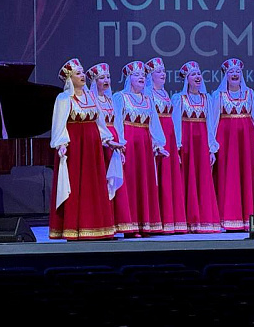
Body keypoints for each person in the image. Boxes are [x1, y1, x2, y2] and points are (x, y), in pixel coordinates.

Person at [49, 59, 120, 240]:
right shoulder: (64, 99)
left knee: (94, 184)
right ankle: (74, 228)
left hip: (92, 148)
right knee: (76, 184)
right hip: (75, 147)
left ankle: (97, 226)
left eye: (82, 73)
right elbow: (59, 124)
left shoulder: (91, 97)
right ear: (69, 78)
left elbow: (99, 123)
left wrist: (109, 140)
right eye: (78, 73)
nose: (82, 76)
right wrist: (61, 144)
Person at [112, 60, 166, 237]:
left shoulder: (148, 99)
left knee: (144, 182)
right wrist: (120, 145)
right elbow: (117, 121)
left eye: (143, 75)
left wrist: (158, 144)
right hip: (129, 144)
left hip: (144, 145)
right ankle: (130, 226)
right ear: (129, 79)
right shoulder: (121, 97)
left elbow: (154, 125)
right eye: (136, 75)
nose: (141, 77)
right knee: (131, 182)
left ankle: (145, 224)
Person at [210, 58, 254, 231]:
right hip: (226, 141)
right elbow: (213, 121)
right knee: (228, 175)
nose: (235, 74)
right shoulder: (218, 95)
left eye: (237, 72)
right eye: (231, 72)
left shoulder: (249, 94)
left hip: (246, 141)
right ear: (225, 76)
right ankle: (228, 218)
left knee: (247, 174)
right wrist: (212, 145)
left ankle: (249, 218)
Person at [171, 61, 222, 233]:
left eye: (199, 73)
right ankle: (187, 221)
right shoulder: (179, 99)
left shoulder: (207, 99)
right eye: (193, 74)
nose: (197, 76)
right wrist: (177, 147)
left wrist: (211, 149)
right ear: (187, 79)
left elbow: (210, 125)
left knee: (202, 179)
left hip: (201, 146)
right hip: (187, 144)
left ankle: (204, 220)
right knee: (186, 179)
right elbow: (176, 124)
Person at [146, 57, 187, 234]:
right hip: (157, 137)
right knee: (158, 177)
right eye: (158, 72)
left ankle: (171, 221)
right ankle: (158, 220)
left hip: (168, 136)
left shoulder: (165, 94)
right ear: (150, 76)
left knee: (169, 178)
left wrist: (176, 144)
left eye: (163, 71)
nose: (163, 74)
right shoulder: (148, 94)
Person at [86, 62, 124, 201]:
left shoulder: (110, 99)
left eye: (108, 77)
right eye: (102, 78)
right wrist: (106, 140)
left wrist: (120, 143)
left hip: (114, 139)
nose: (106, 80)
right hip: (100, 140)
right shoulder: (91, 100)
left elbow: (117, 122)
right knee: (102, 174)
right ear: (95, 82)